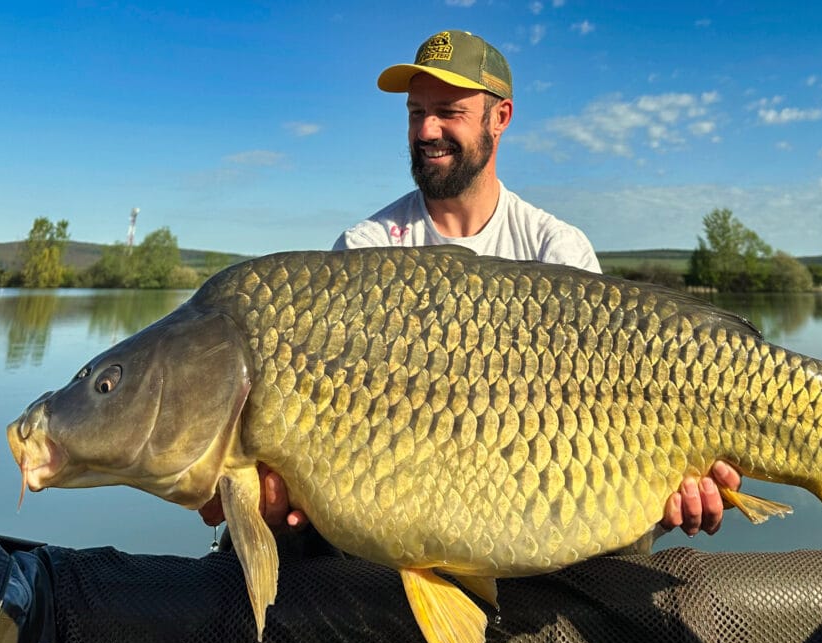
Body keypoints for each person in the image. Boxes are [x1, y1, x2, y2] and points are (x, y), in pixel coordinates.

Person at [200, 29, 741, 538]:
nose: (427, 131)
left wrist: (654, 495)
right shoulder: (367, 249)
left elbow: (609, 419)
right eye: (416, 113)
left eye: (448, 113)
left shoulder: (556, 248)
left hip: (535, 508)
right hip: (405, 513)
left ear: (499, 117)